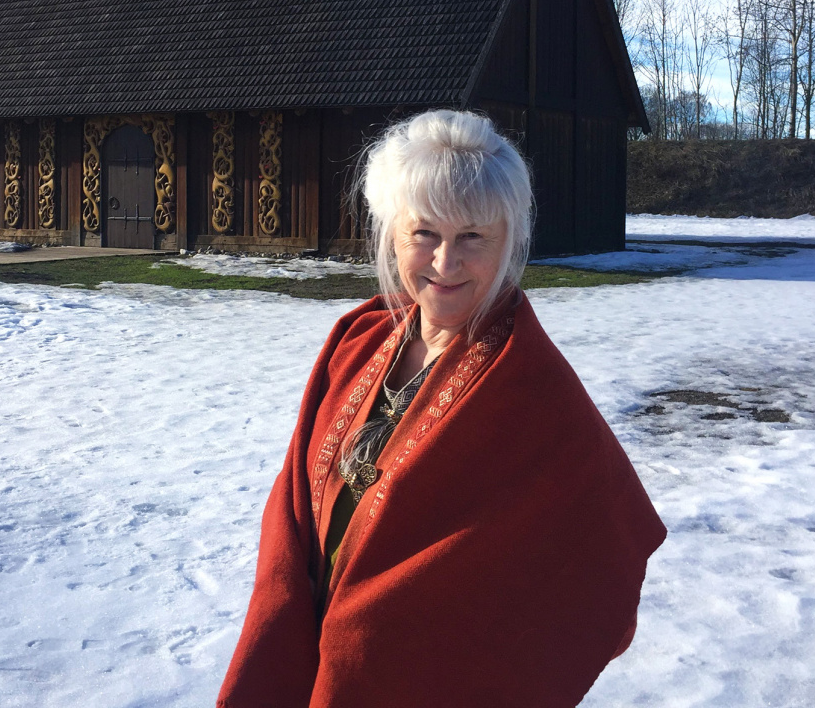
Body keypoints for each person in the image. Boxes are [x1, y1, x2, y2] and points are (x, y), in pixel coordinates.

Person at [217, 109, 666, 708]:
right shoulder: (358, 343)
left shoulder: (531, 388)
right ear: (392, 232)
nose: (445, 264)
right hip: (302, 652)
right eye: (424, 233)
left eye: (473, 238)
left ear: (509, 240)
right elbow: (297, 497)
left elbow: (608, 546)